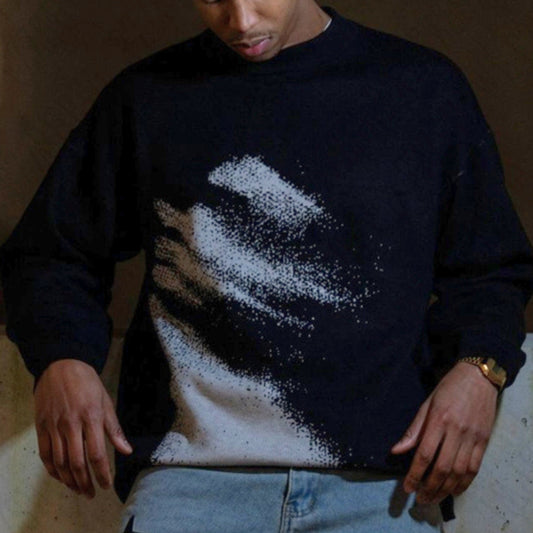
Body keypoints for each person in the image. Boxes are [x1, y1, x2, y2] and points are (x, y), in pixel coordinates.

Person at [1, 1, 532, 532]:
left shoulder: (422, 89)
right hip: (188, 484)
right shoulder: (147, 96)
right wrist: (61, 357)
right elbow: (49, 253)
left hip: (383, 487)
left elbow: (491, 269)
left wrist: (480, 370)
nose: (241, 20)